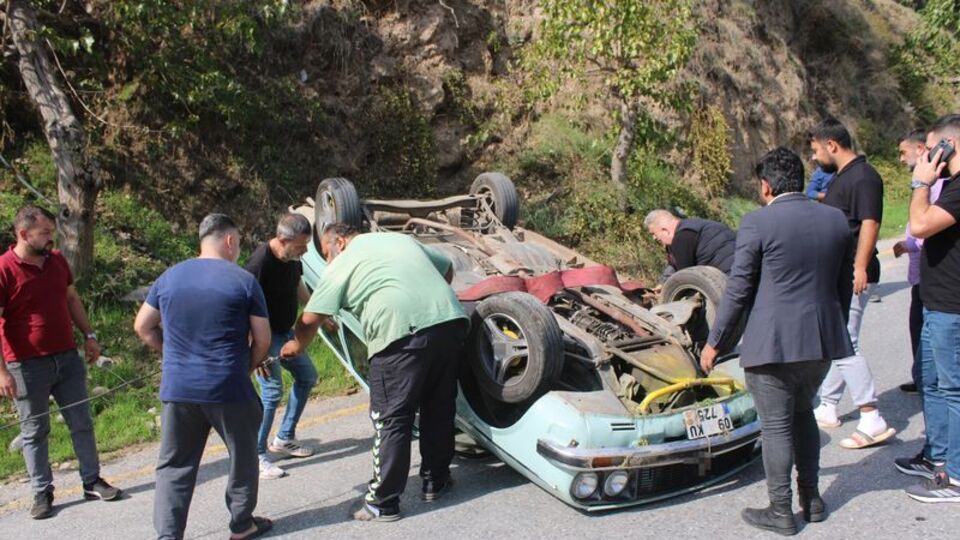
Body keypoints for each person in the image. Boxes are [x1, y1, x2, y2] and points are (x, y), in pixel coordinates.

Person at [701, 147, 854, 535]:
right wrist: (834, 327)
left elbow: (738, 289)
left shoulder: (757, 222)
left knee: (775, 427)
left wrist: (715, 342)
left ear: (766, 185)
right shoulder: (835, 219)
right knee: (803, 413)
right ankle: (812, 500)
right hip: (820, 342)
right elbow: (843, 283)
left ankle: (781, 510)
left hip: (773, 344)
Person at [280, 223, 468, 522]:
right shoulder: (398, 239)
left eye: (326, 253)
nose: (328, 261)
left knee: (391, 418)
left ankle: (383, 501)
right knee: (438, 406)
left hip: (399, 334)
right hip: (449, 322)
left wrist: (296, 346)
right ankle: (436, 480)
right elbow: (446, 268)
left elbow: (310, 318)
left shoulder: (345, 260)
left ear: (340, 242)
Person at [134, 214, 274, 540]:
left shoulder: (169, 277)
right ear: (229, 241)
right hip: (228, 386)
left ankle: (168, 535)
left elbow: (142, 326)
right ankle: (242, 524)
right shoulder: (243, 281)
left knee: (175, 465)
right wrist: (247, 366)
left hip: (178, 387)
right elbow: (263, 339)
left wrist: (170, 353)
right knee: (242, 456)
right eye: (238, 242)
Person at [0, 206, 121, 519]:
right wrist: (2, 372)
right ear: (23, 234)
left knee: (81, 421)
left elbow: (71, 298)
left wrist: (89, 336)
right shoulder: (4, 269)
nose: (50, 238)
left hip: (67, 357)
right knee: (34, 430)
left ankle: (92, 480)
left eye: (51, 232)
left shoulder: (56, 261)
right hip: (26, 365)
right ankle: (42, 492)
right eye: (44, 233)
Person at [808, 117, 895, 449]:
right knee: (840, 339)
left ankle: (871, 416)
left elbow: (870, 224)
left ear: (831, 145)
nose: (814, 157)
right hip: (840, 271)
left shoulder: (863, 177)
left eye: (816, 150)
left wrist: (859, 266)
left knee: (846, 342)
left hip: (854, 273)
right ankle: (828, 405)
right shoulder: (843, 177)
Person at [900, 114, 960, 503]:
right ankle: (938, 458)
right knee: (934, 383)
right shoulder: (952, 185)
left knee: (954, 389)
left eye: (933, 146)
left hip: (951, 307)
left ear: (948, 145)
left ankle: (955, 477)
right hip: (936, 302)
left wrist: (921, 183)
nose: (927, 154)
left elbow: (920, 226)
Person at [245, 213, 318, 480]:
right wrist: (256, 348)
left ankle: (284, 437)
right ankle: (255, 455)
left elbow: (297, 284)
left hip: (287, 333)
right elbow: (242, 305)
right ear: (283, 240)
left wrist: (317, 308)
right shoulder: (259, 263)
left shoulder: (292, 259)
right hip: (265, 337)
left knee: (307, 376)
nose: (305, 251)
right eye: (301, 246)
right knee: (272, 392)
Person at [892, 129, 943, 394]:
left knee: (925, 329)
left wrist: (913, 243)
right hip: (921, 276)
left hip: (931, 275)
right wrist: (908, 244)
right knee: (919, 328)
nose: (901, 159)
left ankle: (929, 381)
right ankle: (923, 377)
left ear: (920, 149)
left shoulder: (933, 185)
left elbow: (928, 227)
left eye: (904, 152)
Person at [644, 210, 737, 278]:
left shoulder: (682, 237)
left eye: (653, 233)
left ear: (665, 230)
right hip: (742, 266)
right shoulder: (698, 225)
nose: (654, 238)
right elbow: (673, 267)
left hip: (730, 279)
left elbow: (685, 278)